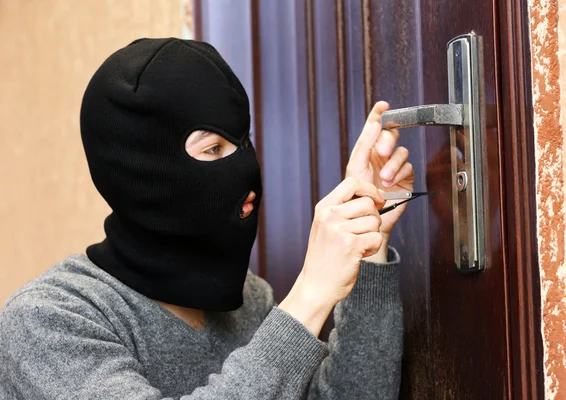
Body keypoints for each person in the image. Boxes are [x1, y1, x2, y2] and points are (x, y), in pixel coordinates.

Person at [0, 38, 414, 399]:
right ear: (144, 173)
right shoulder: (47, 320)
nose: (245, 166)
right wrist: (309, 295)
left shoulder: (247, 300)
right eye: (213, 150)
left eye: (242, 140)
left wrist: (369, 237)